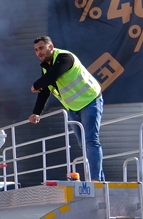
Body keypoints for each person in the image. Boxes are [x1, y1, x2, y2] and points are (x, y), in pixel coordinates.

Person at [27, 35, 105, 181]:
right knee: (84, 145)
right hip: (73, 108)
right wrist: (36, 113)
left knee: (90, 141)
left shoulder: (65, 58)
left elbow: (53, 76)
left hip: (90, 101)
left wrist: (35, 85)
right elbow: (45, 91)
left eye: (41, 48)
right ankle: (98, 178)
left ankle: (96, 180)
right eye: (36, 50)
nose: (39, 52)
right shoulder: (46, 69)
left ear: (51, 47)